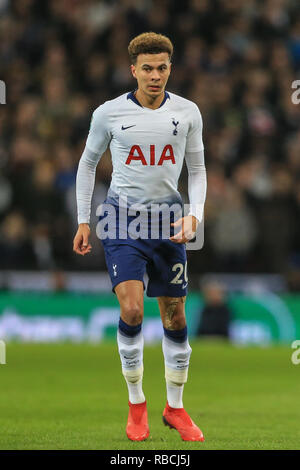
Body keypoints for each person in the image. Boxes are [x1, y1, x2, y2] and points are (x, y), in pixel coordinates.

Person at [73, 32, 207, 442]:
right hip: (122, 221)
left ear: (170, 68)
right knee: (132, 311)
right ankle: (136, 407)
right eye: (147, 68)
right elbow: (87, 163)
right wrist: (82, 220)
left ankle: (175, 409)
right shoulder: (109, 113)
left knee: (176, 316)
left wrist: (195, 215)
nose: (155, 75)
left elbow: (198, 170)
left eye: (162, 68)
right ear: (133, 70)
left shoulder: (187, 113)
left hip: (168, 222)